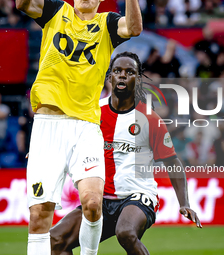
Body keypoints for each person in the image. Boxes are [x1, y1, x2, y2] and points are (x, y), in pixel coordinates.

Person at [15, 0, 142, 254]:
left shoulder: (107, 24)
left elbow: (135, 28)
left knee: (93, 203)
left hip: (85, 126)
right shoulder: (55, 11)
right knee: (40, 214)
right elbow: (23, 4)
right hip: (47, 125)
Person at [50, 52, 202, 255]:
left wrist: (185, 203)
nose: (122, 75)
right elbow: (67, 139)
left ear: (137, 80)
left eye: (129, 72)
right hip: (101, 199)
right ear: (109, 77)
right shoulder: (93, 111)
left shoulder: (149, 119)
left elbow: (172, 161)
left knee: (126, 233)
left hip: (138, 196)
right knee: (56, 240)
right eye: (117, 71)